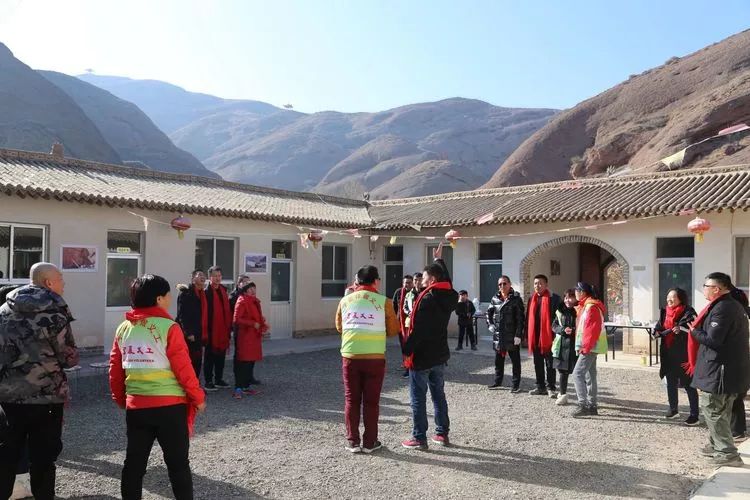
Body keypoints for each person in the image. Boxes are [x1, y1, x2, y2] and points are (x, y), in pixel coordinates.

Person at [109, 274, 206, 499]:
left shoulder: (124, 328)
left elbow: (115, 369)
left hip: (137, 407)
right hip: (170, 408)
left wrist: (121, 398)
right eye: (168, 295)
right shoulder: (169, 327)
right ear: (159, 298)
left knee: (133, 465)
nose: (171, 299)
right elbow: (184, 369)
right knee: (178, 465)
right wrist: (198, 398)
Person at [0, 263, 78, 500]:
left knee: (5, 457)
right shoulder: (55, 311)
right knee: (43, 460)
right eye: (61, 279)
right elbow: (68, 357)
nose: (64, 284)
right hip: (47, 398)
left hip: (7, 397)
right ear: (48, 283)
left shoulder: (4, 309)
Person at [335, 265, 400, 453]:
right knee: (371, 401)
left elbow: (339, 326)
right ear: (376, 281)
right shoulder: (384, 301)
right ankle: (370, 442)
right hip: (375, 357)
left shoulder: (345, 300)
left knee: (351, 399)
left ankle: (352, 441)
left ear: (357, 281)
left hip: (350, 355)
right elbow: (393, 330)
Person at [689, 272, 750, 467]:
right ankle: (716, 445)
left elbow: (714, 340)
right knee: (720, 410)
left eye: (706, 286)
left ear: (717, 289)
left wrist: (694, 331)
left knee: (714, 410)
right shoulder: (731, 305)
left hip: (721, 370)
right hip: (728, 368)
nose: (703, 290)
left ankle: (727, 454)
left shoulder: (723, 308)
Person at [401, 243, 457, 450]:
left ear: (432, 280)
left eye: (424, 278)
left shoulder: (427, 300)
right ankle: (442, 433)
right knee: (438, 395)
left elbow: (419, 332)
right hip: (440, 355)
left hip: (423, 357)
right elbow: (447, 282)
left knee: (418, 398)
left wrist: (406, 349)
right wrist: (439, 261)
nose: (420, 282)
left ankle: (419, 437)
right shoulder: (449, 296)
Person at [651, 288, 699, 425]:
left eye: (673, 298)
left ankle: (694, 414)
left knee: (689, 384)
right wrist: (655, 333)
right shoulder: (665, 311)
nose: (669, 300)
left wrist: (682, 330)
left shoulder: (689, 312)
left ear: (681, 299)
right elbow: (659, 327)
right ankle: (673, 410)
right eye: (667, 298)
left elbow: (696, 330)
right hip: (668, 353)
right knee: (670, 382)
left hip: (684, 354)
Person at [572, 282, 607, 418]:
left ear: (583, 292)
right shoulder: (587, 306)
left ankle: (583, 405)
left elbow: (592, 329)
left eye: (576, 290)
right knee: (590, 375)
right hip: (593, 345)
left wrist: (585, 347)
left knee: (577, 374)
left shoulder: (591, 307)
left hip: (590, 346)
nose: (575, 292)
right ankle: (592, 405)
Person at [486, 276, 525, 392]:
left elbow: (520, 319)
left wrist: (518, 335)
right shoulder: (495, 298)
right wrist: (490, 325)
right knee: (498, 361)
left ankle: (515, 384)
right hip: (499, 335)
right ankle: (498, 381)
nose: (502, 286)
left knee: (515, 362)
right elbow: (488, 313)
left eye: (504, 284)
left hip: (512, 336)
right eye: (500, 284)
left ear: (509, 284)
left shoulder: (516, 299)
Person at [232, 282, 269, 398]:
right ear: (245, 290)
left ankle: (246, 386)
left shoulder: (254, 300)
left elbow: (254, 315)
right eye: (251, 288)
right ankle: (238, 387)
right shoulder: (242, 300)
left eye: (254, 288)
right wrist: (252, 323)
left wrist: (260, 320)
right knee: (243, 362)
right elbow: (237, 319)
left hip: (254, 336)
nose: (253, 290)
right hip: (245, 336)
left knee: (251, 362)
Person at [526, 274, 561, 397]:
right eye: (535, 283)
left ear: (546, 285)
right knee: (538, 363)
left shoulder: (554, 298)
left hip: (549, 337)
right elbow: (528, 318)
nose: (537, 285)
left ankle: (551, 387)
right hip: (535, 336)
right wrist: (526, 334)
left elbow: (559, 318)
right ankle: (540, 387)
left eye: (540, 283)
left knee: (550, 363)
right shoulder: (532, 298)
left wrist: (557, 333)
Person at [203, 266, 232, 391]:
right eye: (215, 276)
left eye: (219, 276)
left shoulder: (223, 291)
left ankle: (219, 379)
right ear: (210, 277)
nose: (218, 278)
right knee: (210, 357)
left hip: (223, 329)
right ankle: (208, 381)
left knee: (221, 356)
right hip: (210, 329)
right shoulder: (206, 292)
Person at [176, 270, 208, 379]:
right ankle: (187, 386)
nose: (203, 277)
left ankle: (195, 384)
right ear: (193, 279)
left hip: (200, 332)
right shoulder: (186, 293)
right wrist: (188, 332)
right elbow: (181, 315)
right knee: (189, 361)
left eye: (204, 275)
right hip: (189, 334)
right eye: (200, 275)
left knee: (198, 361)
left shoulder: (203, 293)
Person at [729, 286, 749, 442]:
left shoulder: (740, 316)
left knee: (735, 396)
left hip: (743, 360)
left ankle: (737, 431)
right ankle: (738, 430)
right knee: (736, 397)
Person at [551, 289, 578, 406]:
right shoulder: (559, 311)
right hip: (561, 345)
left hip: (574, 345)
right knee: (562, 371)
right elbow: (554, 325)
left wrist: (573, 330)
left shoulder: (578, 311)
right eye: (566, 297)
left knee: (578, 372)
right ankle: (562, 393)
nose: (568, 300)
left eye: (571, 297)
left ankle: (583, 395)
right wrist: (562, 330)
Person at [394, 275, 414, 378]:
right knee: (403, 347)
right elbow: (394, 307)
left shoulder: (415, 293)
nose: (407, 285)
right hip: (401, 325)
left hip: (412, 325)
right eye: (405, 282)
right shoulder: (399, 292)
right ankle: (406, 365)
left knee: (410, 346)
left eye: (409, 282)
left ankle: (410, 367)